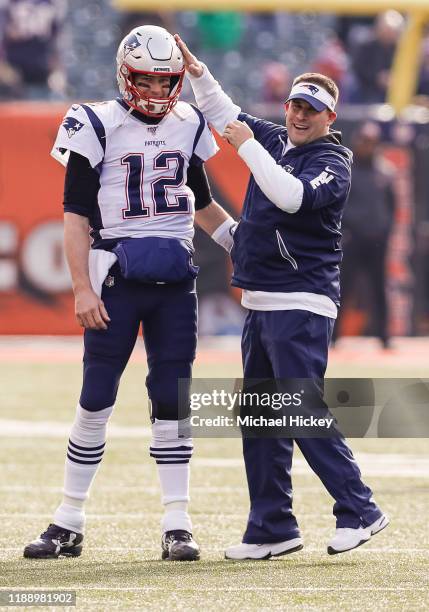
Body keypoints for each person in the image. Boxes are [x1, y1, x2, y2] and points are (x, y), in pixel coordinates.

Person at [23, 25, 237, 562]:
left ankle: (177, 523)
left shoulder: (189, 123)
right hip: (115, 277)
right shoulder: (96, 121)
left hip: (173, 283)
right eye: (147, 79)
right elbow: (74, 214)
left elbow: (204, 202)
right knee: (96, 397)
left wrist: (240, 242)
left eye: (167, 81)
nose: (159, 91)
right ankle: (68, 518)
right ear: (125, 74)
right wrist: (80, 287)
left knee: (172, 401)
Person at [175, 35, 389, 559]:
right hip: (263, 302)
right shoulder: (276, 141)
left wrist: (247, 143)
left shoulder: (333, 162)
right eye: (294, 104)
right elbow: (226, 112)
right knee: (261, 418)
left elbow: (290, 197)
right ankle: (272, 526)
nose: (298, 115)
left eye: (310, 109)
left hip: (303, 302)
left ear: (329, 117)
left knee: (298, 410)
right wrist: (199, 73)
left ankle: (359, 508)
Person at [332, 121, 395, 348]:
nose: (367, 146)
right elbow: (337, 205)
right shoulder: (347, 170)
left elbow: (392, 207)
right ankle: (333, 336)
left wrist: (385, 232)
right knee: (343, 287)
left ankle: (384, 337)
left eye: (371, 142)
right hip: (352, 239)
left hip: (376, 241)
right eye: (364, 141)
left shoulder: (386, 171)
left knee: (379, 289)